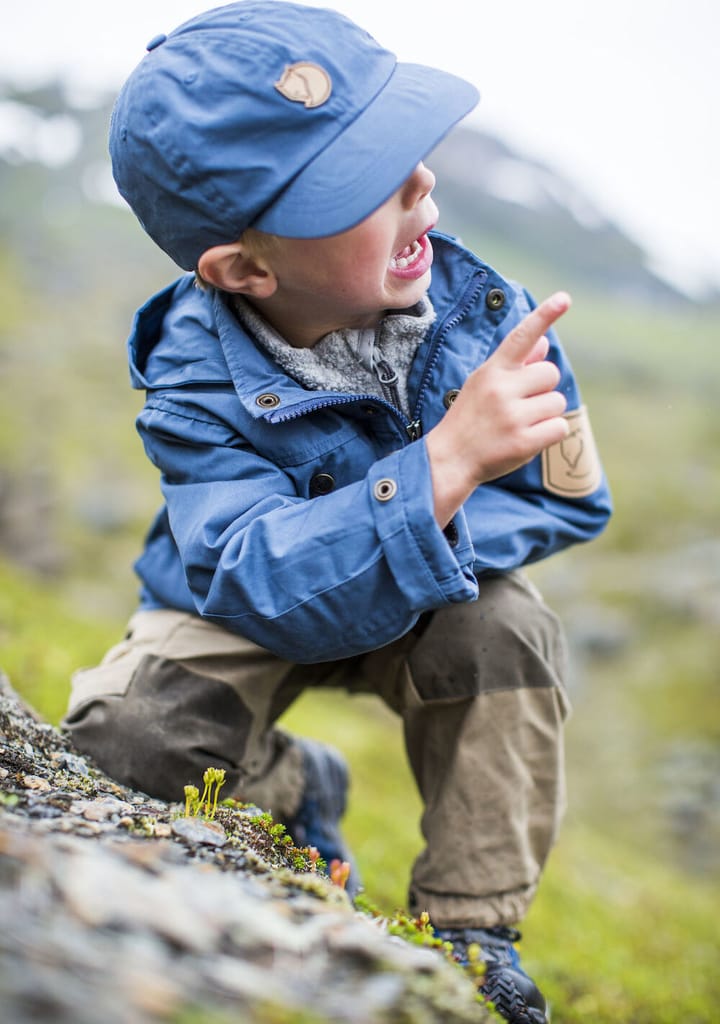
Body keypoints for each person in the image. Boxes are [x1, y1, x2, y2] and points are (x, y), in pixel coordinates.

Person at [62, 3, 612, 1021]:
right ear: (245, 270)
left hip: (433, 588)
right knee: (122, 740)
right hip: (246, 603)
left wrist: (436, 525)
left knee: (508, 631)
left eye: (411, 149)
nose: (421, 186)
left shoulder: (487, 316)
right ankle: (293, 789)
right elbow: (246, 567)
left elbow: (572, 503)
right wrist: (436, 469)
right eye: (363, 184)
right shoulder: (192, 383)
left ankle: (473, 927)